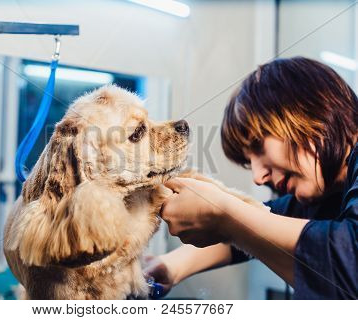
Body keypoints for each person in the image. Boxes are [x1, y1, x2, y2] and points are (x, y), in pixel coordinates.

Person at [144, 57, 357, 299]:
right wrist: (170, 266)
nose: (258, 177)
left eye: (258, 146)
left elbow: (349, 268)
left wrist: (226, 216)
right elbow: (262, 222)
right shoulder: (327, 197)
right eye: (249, 162)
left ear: (311, 111)